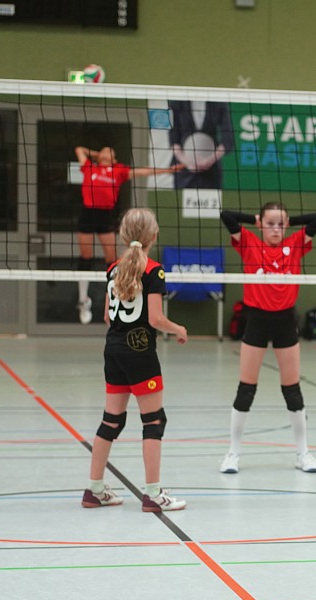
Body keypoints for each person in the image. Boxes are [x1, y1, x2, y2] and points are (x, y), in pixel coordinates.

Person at [81, 208, 188, 513]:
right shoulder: (153, 271)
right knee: (153, 421)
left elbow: (107, 316)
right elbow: (155, 319)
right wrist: (178, 329)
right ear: (154, 235)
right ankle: (153, 494)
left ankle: (94, 489)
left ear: (122, 235)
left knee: (111, 420)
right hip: (140, 353)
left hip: (113, 350)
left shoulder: (113, 269)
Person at [217, 203, 316, 474]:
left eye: (280, 224)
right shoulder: (249, 243)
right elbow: (226, 216)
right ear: (260, 224)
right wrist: (255, 219)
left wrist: (288, 220)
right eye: (270, 223)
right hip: (256, 320)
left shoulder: (296, 243)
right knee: (246, 389)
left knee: (292, 389)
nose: (276, 229)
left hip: (285, 322)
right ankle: (233, 453)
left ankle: (303, 454)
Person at [74, 145, 183, 325]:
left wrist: (168, 170)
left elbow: (142, 172)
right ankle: (83, 300)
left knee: (111, 261)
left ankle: (115, 297)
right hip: (87, 213)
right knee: (86, 257)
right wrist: (99, 155)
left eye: (110, 151)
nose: (106, 152)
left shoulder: (118, 171)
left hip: (105, 215)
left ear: (115, 158)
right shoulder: (90, 167)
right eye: (103, 150)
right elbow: (79, 149)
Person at [167, 100, 233, 190]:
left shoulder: (219, 103)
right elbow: (173, 137)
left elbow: (228, 139)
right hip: (183, 169)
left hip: (211, 171)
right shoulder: (175, 103)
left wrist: (209, 161)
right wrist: (187, 162)